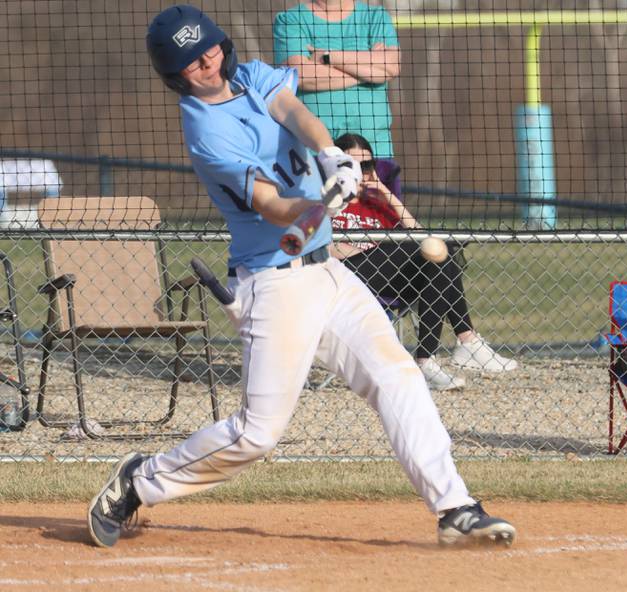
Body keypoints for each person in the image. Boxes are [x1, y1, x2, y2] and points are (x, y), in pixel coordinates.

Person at [87, 5, 515, 550]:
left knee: (398, 377)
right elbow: (269, 204)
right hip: (273, 283)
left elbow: (292, 108)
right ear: (175, 73)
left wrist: (333, 155)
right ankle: (136, 481)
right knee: (256, 435)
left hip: (328, 273)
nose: (209, 61)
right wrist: (313, 203)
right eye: (193, 60)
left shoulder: (250, 75)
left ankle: (455, 508)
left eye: (211, 48)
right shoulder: (205, 131)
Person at [329, 133, 518, 390]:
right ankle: (465, 343)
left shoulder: (378, 202)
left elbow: (417, 233)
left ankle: (432, 358)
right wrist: (371, 247)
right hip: (348, 277)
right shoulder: (329, 199)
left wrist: (387, 194)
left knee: (440, 253)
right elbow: (326, 250)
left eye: (367, 166)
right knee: (432, 248)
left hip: (390, 277)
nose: (362, 174)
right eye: (354, 167)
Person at [272, 0, 400, 159]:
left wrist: (329, 57)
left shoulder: (376, 17)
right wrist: (370, 72)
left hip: (375, 152)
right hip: (316, 154)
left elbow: (392, 65)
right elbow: (301, 75)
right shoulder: (290, 20)